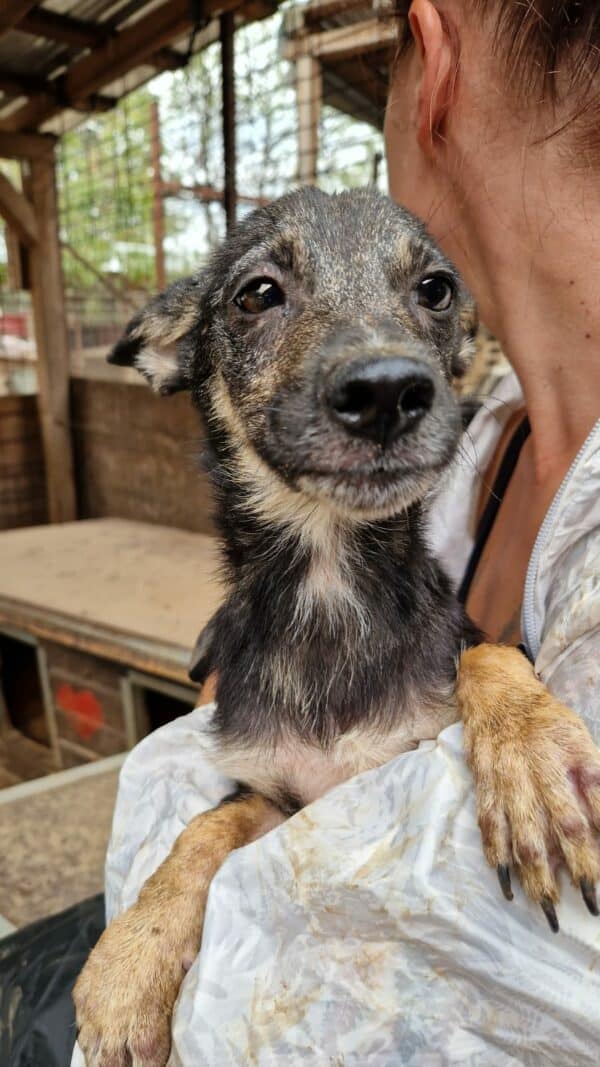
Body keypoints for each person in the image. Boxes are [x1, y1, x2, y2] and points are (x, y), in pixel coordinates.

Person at [73, 3, 600, 1063]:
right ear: (189, 355)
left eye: (428, 294)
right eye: (267, 295)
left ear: (433, 59)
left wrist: (497, 679)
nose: (381, 368)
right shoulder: (485, 453)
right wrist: (207, 839)